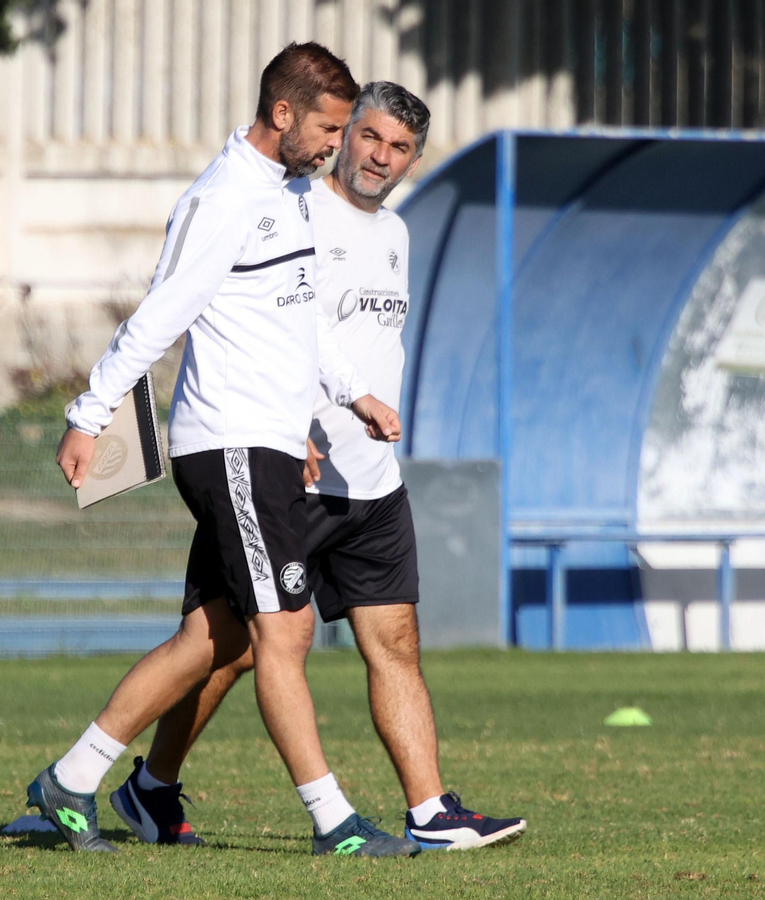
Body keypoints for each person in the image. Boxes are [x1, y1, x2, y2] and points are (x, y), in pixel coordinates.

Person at [106, 83, 527, 852]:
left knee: (395, 639)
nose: (379, 157)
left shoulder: (396, 235)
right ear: (343, 134)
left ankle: (430, 812)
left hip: (371, 482)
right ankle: (139, 783)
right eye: (368, 137)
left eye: (399, 149)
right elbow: (254, 331)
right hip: (287, 474)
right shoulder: (291, 211)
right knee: (224, 647)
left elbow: (355, 351)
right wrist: (289, 427)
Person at [27, 44, 420, 859]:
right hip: (230, 446)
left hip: (270, 448)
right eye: (330, 128)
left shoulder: (291, 195)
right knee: (286, 634)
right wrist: (89, 413)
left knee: (216, 638)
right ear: (283, 114)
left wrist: (351, 396)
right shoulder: (223, 199)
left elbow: (303, 323)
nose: (336, 145)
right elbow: (158, 317)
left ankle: (73, 777)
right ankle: (335, 823)